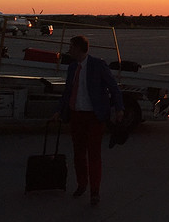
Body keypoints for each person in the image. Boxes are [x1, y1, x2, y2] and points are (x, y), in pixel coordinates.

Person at [52, 35, 123, 206]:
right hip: (76, 115)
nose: (68, 50)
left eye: (71, 47)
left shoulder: (98, 65)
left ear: (78, 48)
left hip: (93, 117)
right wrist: (59, 111)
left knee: (93, 154)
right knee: (78, 153)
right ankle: (82, 183)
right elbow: (67, 92)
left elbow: (113, 87)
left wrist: (119, 108)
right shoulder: (72, 68)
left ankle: (95, 191)